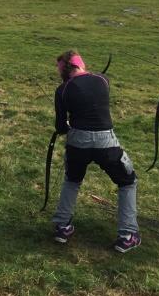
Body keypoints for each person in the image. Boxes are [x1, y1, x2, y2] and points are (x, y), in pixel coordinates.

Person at [51, 50, 141, 253]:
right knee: (127, 182)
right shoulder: (102, 80)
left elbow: (60, 127)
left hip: (77, 143)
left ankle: (62, 226)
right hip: (106, 143)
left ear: (67, 68)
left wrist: (66, 125)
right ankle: (127, 235)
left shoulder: (62, 90)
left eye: (60, 69)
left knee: (72, 180)